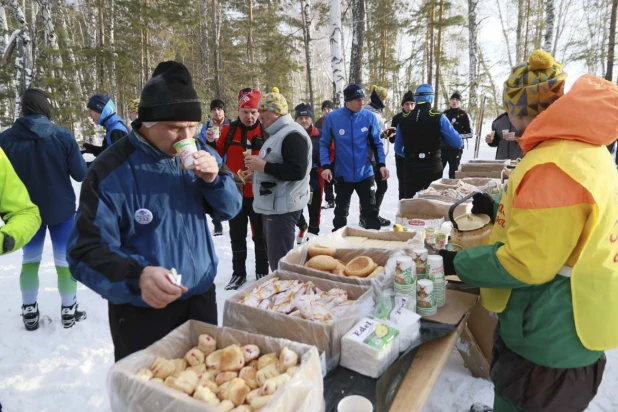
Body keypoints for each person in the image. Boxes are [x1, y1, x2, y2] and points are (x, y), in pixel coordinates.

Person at [440, 51, 615, 412]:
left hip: (549, 332)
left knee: (522, 401)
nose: (511, 120)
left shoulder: (553, 164)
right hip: (570, 319)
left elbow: (526, 262)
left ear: (522, 110)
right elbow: (554, 224)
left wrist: (456, 263)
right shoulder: (581, 147)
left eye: (511, 111)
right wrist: (500, 204)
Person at [68, 61, 242, 361]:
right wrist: (137, 277)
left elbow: (230, 209)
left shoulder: (200, 149)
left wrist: (215, 181)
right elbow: (84, 250)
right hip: (143, 313)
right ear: (147, 124)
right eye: (175, 128)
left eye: (191, 126)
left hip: (200, 300)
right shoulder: (110, 171)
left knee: (202, 395)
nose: (185, 136)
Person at [0, 89, 88, 330]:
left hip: (25, 215)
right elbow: (81, 174)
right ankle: (69, 310)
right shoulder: (63, 136)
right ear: (46, 108)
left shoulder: (5, 139)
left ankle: (29, 311)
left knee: (29, 261)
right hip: (61, 211)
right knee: (64, 261)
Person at [245, 87, 311, 271]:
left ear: (275, 112)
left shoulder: (292, 134)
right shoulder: (279, 133)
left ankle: (283, 295)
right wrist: (257, 173)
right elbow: (280, 165)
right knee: (276, 259)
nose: (260, 117)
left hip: (283, 208)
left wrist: (263, 166)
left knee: (280, 263)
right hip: (276, 204)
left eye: (263, 112)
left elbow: (297, 171)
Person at [214, 88, 269, 290]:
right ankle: (238, 273)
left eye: (254, 111)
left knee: (260, 235)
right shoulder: (229, 131)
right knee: (237, 235)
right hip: (235, 194)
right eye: (245, 111)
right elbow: (215, 155)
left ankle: (263, 270)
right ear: (238, 110)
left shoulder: (265, 131)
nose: (250, 116)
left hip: (259, 194)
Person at [320, 84, 389, 231]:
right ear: (348, 101)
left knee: (371, 214)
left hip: (365, 172)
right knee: (340, 215)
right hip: (343, 174)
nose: (362, 103)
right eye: (358, 100)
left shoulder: (369, 117)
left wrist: (382, 164)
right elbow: (324, 144)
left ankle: (371, 250)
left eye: (363, 99)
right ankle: (338, 248)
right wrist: (326, 166)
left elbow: (377, 143)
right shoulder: (332, 118)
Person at [394, 84, 462, 199]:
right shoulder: (438, 116)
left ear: (417, 98)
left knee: (411, 204)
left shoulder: (404, 118)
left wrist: (410, 155)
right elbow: (457, 142)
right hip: (432, 166)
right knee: (431, 206)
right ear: (431, 98)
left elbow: (397, 148)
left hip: (411, 166)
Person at [200, 99, 232, 237]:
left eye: (219, 109)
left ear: (223, 111)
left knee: (230, 190)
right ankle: (216, 222)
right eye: (214, 110)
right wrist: (208, 140)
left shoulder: (231, 125)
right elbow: (201, 144)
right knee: (212, 191)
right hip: (213, 162)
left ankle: (233, 217)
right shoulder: (206, 127)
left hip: (228, 162)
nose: (217, 112)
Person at [0, 149, 40, 257]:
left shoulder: (6, 138)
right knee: (62, 254)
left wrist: (4, 241)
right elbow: (79, 173)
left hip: (21, 202)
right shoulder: (64, 138)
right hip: (59, 204)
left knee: (31, 257)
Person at [363, 85, 394, 226]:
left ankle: (370, 214)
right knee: (379, 187)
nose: (386, 101)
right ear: (378, 98)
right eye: (385, 98)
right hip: (371, 157)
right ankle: (370, 215)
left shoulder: (377, 112)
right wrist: (384, 134)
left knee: (378, 187)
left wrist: (386, 133)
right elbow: (368, 135)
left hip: (378, 157)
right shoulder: (369, 113)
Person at [293, 103, 323, 242]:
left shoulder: (320, 134)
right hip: (295, 176)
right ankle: (302, 225)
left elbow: (328, 153)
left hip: (314, 176)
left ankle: (313, 236)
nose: (304, 120)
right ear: (296, 120)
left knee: (314, 208)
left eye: (306, 117)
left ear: (311, 118)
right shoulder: (291, 133)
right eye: (300, 117)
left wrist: (324, 167)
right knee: (294, 206)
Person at [391, 91, 414, 199]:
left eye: (412, 104)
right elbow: (392, 140)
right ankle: (402, 207)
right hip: (400, 155)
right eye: (407, 104)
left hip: (415, 156)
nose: (409, 107)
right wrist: (394, 135)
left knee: (414, 184)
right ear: (402, 105)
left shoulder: (418, 117)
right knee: (402, 183)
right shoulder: (397, 118)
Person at [442, 92, 471, 178]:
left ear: (460, 102)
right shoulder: (444, 114)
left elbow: (470, 133)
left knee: (453, 173)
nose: (454, 101)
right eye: (453, 99)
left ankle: (452, 190)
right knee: (437, 172)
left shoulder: (464, 115)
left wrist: (457, 137)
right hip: (443, 148)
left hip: (456, 149)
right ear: (450, 101)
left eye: (457, 100)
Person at [315, 100, 336, 209]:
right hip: (324, 154)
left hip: (337, 153)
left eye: (329, 108)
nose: (326, 111)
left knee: (337, 177)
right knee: (327, 178)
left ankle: (341, 198)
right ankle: (330, 200)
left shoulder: (338, 120)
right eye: (324, 109)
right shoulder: (319, 123)